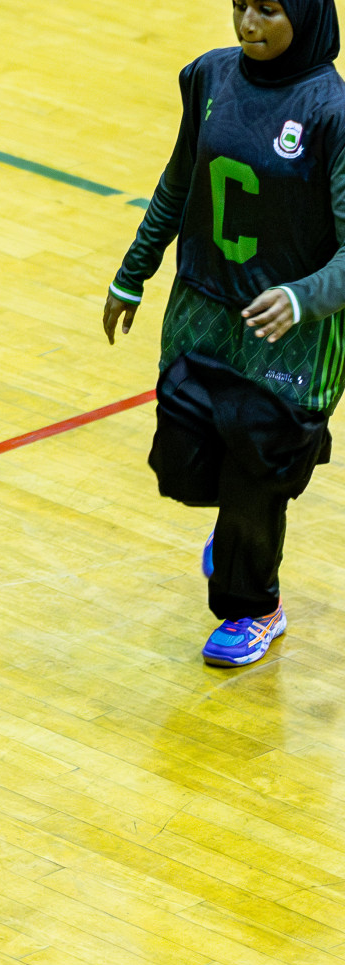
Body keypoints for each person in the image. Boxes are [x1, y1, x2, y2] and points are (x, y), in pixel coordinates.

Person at [103, 0, 345, 666]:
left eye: (268, 9)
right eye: (240, 5)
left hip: (291, 336)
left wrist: (301, 297)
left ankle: (255, 607)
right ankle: (254, 508)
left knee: (253, 480)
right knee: (181, 464)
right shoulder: (209, 76)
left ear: (306, 15)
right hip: (203, 309)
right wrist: (133, 271)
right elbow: (178, 182)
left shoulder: (333, 114)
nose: (247, 24)